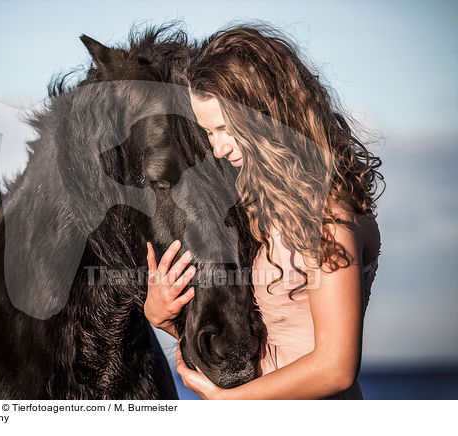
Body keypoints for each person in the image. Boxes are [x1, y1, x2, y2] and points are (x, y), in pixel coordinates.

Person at [144, 23, 384, 399]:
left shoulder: (328, 216)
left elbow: (336, 367)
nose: (218, 148)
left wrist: (229, 404)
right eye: (209, 133)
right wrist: (165, 319)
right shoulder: (262, 205)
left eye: (225, 128)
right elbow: (267, 346)